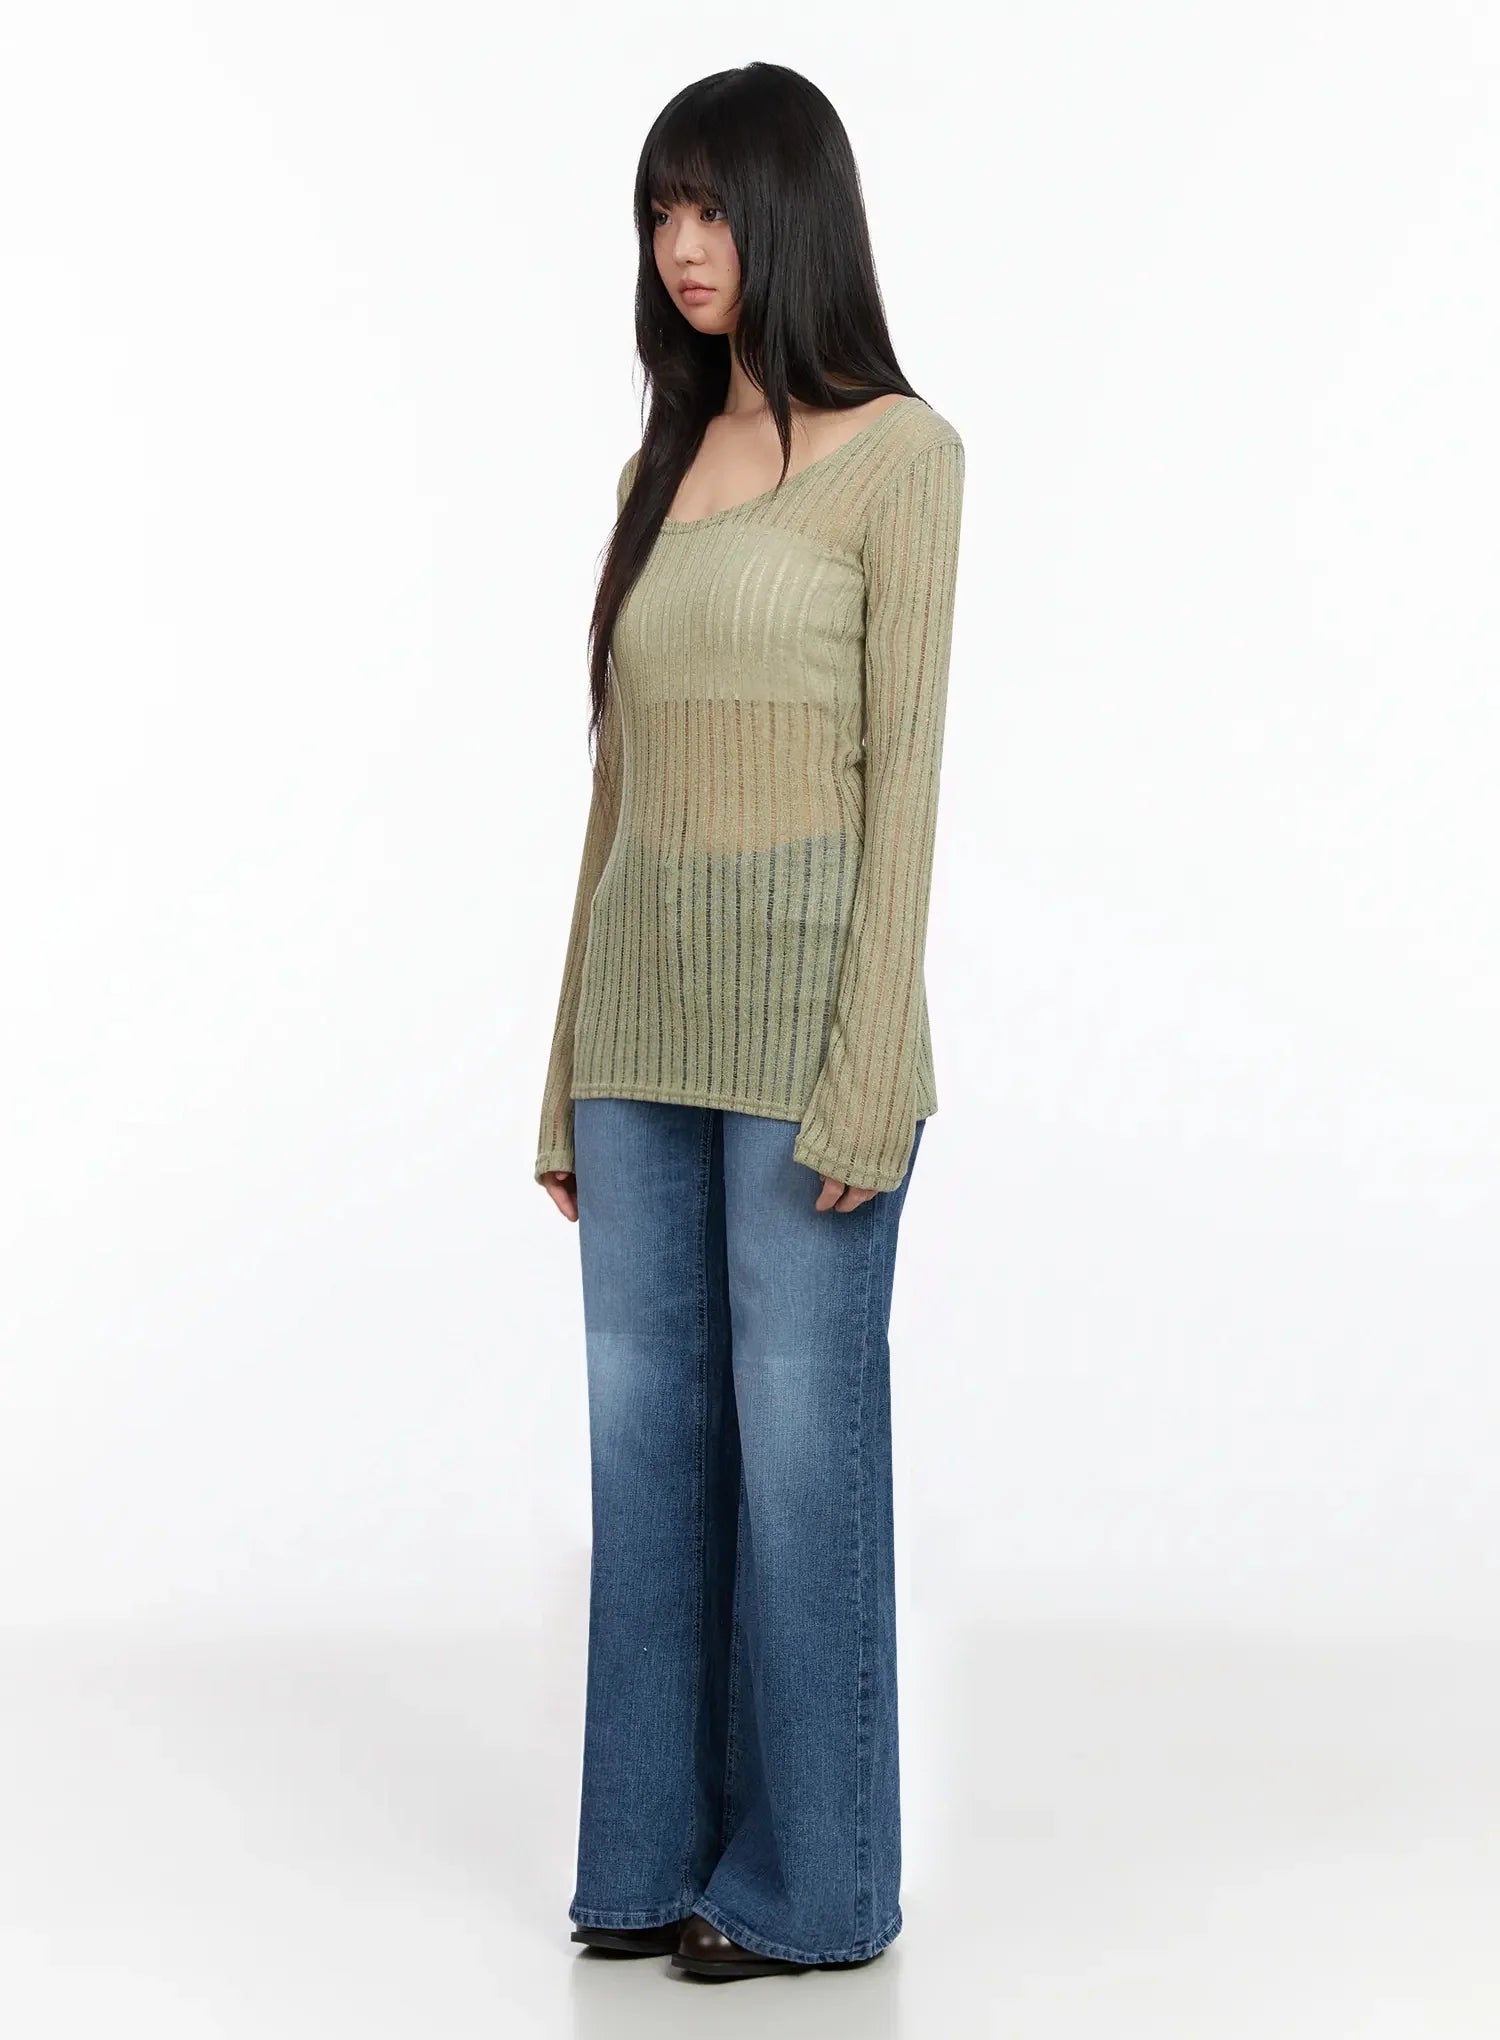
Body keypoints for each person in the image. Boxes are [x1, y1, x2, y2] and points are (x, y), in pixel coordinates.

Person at [534, 61, 965, 1982]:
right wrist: (563, 1069)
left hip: (809, 1045)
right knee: (647, 1459)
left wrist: (872, 1069)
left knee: (801, 1466)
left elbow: (906, 782)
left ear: (795, 215)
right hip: (638, 1037)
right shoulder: (659, 467)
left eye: (711, 207)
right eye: (659, 212)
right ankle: (644, 1858)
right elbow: (616, 797)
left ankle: (816, 1889)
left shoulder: (903, 459)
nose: (681, 247)